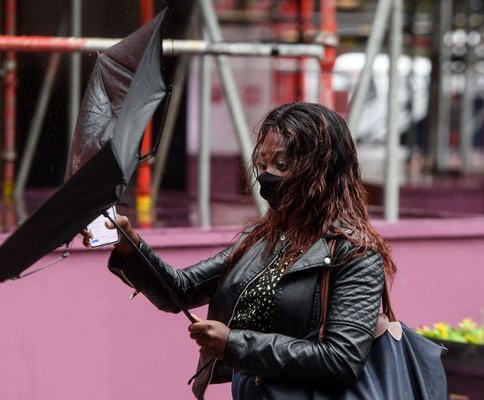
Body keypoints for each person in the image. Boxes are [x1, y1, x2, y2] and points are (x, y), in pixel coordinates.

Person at [83, 102, 395, 399]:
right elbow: (179, 290)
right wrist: (129, 244)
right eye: (263, 163)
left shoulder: (355, 254)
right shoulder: (262, 238)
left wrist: (234, 345)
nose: (266, 174)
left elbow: (341, 360)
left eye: (282, 164)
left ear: (319, 171)